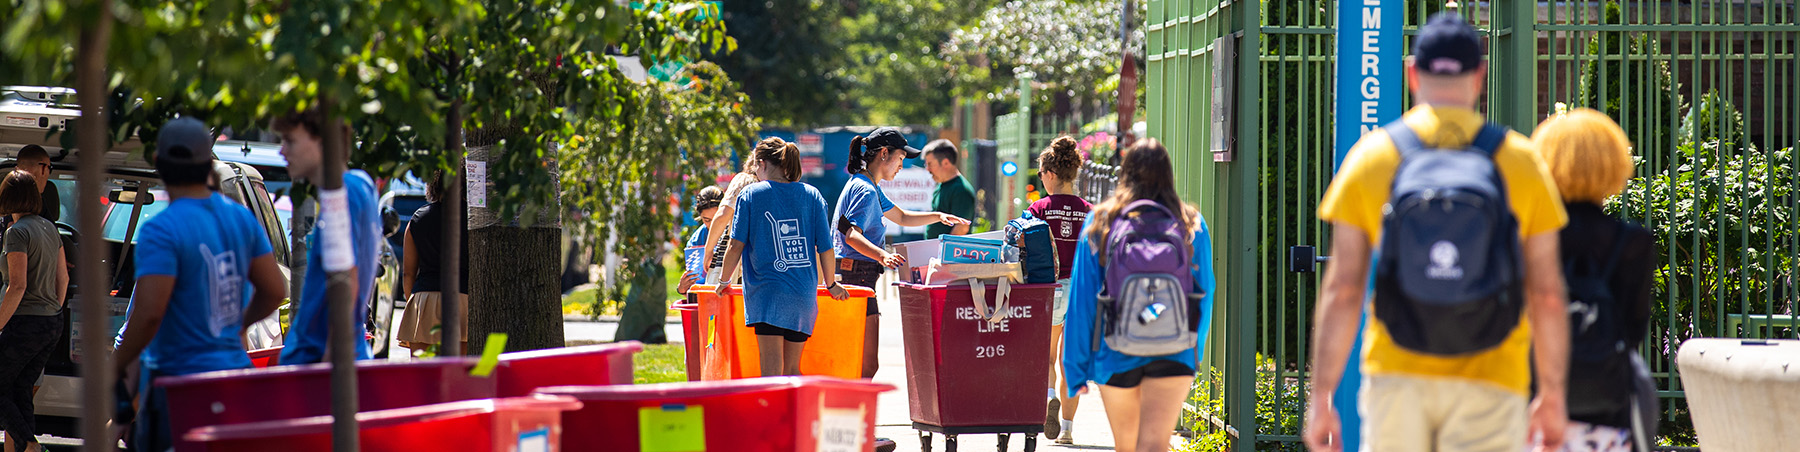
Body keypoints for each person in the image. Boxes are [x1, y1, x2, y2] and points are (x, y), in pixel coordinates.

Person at [1301, 14, 1571, 452]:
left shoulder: (1373, 157)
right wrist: (1554, 395)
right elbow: (1547, 294)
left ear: (1412, 73)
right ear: (1480, 75)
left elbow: (1343, 289)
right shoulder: (1520, 163)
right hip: (1493, 376)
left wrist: (1322, 398)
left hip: (1397, 373)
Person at [111, 118, 287, 452]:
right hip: (232, 379)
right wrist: (236, 324)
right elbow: (275, 290)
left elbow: (149, 314)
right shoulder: (240, 218)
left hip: (176, 388)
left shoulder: (161, 230)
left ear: (160, 165)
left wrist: (115, 367)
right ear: (209, 163)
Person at [1060, 139, 1213, 452]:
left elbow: (1082, 300)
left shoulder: (1102, 221)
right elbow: (1205, 290)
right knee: (1155, 445)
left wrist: (1076, 370)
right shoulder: (1190, 223)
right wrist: (1194, 349)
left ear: (1125, 173)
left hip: (1116, 351)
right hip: (1175, 348)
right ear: (1168, 174)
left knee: (1127, 446)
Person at [1532, 109, 1656, 452]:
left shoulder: (1527, 238)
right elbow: (1632, 332)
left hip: (1532, 403)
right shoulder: (1633, 243)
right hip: (1607, 408)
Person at [836, 127, 967, 378]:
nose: (901, 165)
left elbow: (902, 216)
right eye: (900, 158)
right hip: (856, 276)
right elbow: (851, 235)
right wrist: (882, 255)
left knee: (860, 363)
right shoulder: (864, 189)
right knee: (864, 365)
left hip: (857, 275)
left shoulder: (868, 185)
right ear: (884, 154)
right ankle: (852, 414)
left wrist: (938, 216)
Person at [712, 137, 848, 376]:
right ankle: (796, 413)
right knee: (793, 370)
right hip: (803, 296)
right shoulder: (812, 194)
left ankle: (773, 414)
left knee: (771, 371)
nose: (754, 170)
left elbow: (735, 245)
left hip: (767, 295)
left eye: (755, 165)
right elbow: (825, 247)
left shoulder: (751, 194)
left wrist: (723, 281)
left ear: (762, 163)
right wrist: (832, 284)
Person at [273, 109, 382, 365]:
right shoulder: (359, 185)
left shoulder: (345, 192)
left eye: (290, 140)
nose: (282, 151)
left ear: (323, 140)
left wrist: (332, 362)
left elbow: (346, 277)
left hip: (318, 364)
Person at [1029, 136, 1093, 444]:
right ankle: (1067, 429)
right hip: (1082, 292)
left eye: (1040, 174)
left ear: (1050, 174)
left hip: (1051, 288)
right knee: (1073, 361)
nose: (1041, 179)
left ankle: (1050, 396)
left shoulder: (1038, 209)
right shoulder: (1090, 211)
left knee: (1046, 355)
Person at [0, 170, 66, 452]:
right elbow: (63, 278)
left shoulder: (16, 232)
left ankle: (29, 444)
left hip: (26, 322)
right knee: (20, 388)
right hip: (52, 322)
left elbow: (17, 286)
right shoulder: (50, 228)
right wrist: (53, 309)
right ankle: (27, 448)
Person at [396, 172, 470, 355]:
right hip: (464, 299)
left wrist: (412, 303)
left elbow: (408, 273)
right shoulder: (473, 219)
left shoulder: (418, 218)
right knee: (459, 375)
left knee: (424, 377)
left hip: (424, 300)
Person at [701, 159, 762, 284]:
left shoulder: (744, 180)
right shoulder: (781, 190)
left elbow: (723, 214)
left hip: (737, 265)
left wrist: (708, 251)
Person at [677, 186, 725, 296]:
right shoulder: (696, 242)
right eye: (706, 220)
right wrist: (682, 288)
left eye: (717, 219)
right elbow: (694, 291)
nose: (713, 225)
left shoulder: (735, 232)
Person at [922, 139, 974, 239]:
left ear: (946, 163)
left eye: (930, 164)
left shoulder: (961, 189)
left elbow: (961, 228)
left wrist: (943, 252)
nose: (927, 169)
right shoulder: (942, 185)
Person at [12, 145, 59, 223]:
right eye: (49, 169)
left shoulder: (6, 200)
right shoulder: (35, 203)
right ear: (43, 169)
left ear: (16, 169)